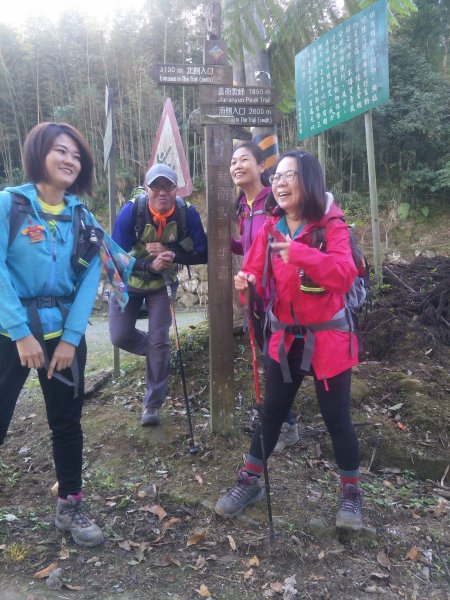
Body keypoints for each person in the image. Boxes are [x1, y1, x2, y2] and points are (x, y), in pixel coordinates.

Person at [215, 149, 363, 530]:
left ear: (309, 180)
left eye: (288, 176)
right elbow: (252, 271)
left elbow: (345, 275)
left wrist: (299, 254)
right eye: (276, 177)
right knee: (271, 414)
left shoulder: (331, 224)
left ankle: (351, 492)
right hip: (283, 337)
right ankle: (249, 481)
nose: (279, 183)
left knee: (336, 418)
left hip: (328, 338)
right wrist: (244, 284)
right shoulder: (271, 225)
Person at [0, 122, 104, 547]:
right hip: (10, 336)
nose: (69, 161)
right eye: (61, 151)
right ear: (39, 153)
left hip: (63, 337)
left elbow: (90, 277)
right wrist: (20, 331)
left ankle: (70, 504)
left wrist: (71, 338)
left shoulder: (84, 217)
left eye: (76, 156)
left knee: (66, 422)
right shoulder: (11, 205)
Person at [109, 163, 207, 426]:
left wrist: (173, 253)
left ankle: (152, 406)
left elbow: (204, 252)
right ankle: (157, 353)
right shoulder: (132, 212)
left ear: (176, 189)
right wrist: (147, 264)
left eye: (168, 186)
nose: (162, 192)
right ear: (146, 187)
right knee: (119, 335)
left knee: (160, 339)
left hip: (162, 285)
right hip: (129, 281)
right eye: (156, 186)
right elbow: (114, 257)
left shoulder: (188, 215)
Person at [230, 141, 299, 453]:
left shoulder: (274, 202)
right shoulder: (242, 207)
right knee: (270, 364)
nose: (237, 165)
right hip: (255, 300)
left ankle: (287, 425)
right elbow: (249, 247)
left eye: (245, 159)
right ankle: (283, 422)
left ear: (261, 167)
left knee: (275, 364)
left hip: (277, 299)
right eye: (233, 161)